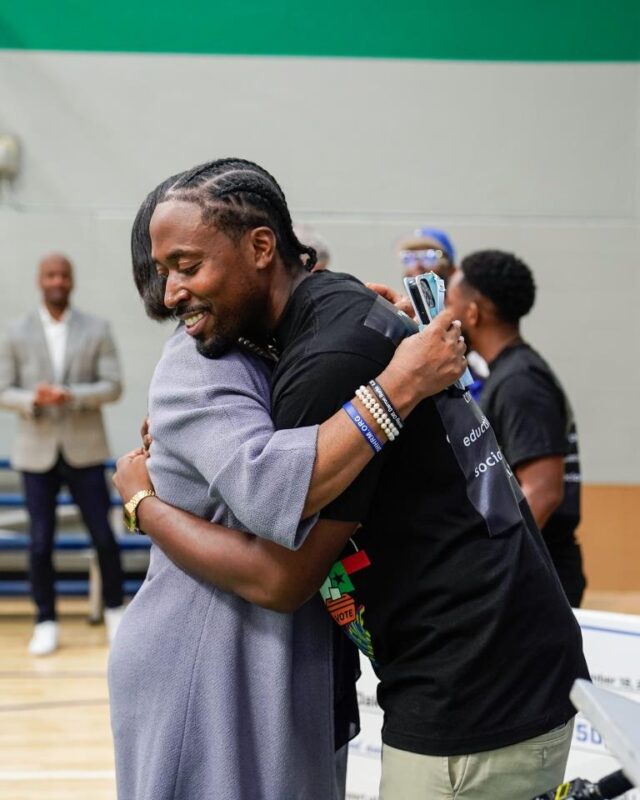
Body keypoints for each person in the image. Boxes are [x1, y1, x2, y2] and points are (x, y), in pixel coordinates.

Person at [115, 158, 588, 800]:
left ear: (262, 248)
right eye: (164, 272)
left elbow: (280, 555)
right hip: (248, 665)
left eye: (188, 266)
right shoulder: (326, 325)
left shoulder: (326, 359)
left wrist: (142, 501)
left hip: (466, 682)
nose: (172, 294)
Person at [0, 253, 125, 655]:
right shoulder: (15, 331)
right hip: (36, 452)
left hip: (85, 450)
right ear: (41, 280)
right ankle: (46, 620)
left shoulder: (97, 327)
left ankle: (113, 610)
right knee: (39, 543)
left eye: (63, 275)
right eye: (50, 275)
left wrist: (71, 396)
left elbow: (112, 386)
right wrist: (33, 399)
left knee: (104, 537)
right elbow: (3, 390)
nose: (57, 281)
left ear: (71, 281)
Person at [447, 249, 586, 607]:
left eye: (450, 301)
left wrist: (493, 572)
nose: (445, 314)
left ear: (473, 313)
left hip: (540, 575)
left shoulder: (520, 383)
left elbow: (543, 492)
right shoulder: (506, 375)